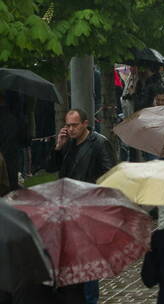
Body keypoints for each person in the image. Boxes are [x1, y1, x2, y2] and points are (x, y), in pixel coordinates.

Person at [46, 109, 117, 304]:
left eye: (74, 125)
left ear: (85, 123)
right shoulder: (68, 143)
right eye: (68, 125)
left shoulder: (99, 143)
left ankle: (89, 299)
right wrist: (58, 148)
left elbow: (110, 175)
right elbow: (51, 168)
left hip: (88, 208)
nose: (71, 129)